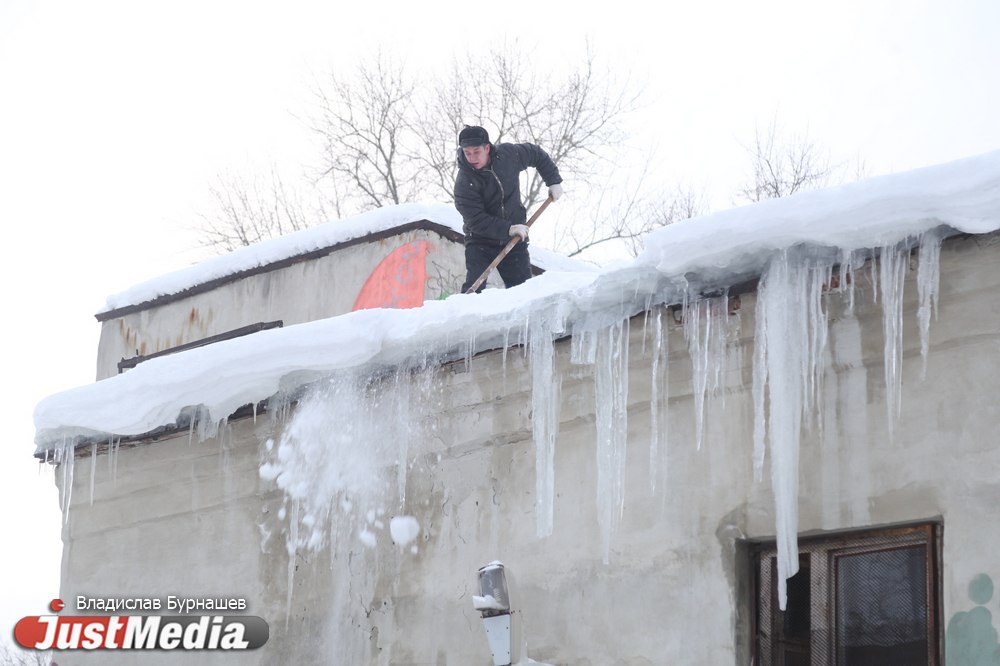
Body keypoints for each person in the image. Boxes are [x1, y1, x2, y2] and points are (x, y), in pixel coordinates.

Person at [453, 125, 563, 293]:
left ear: (487, 148)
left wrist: (553, 181)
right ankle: (464, 310)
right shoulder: (464, 183)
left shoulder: (508, 156)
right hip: (480, 241)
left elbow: (536, 154)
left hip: (515, 238)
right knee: (474, 289)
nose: (472, 158)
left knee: (522, 290)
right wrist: (508, 229)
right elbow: (476, 220)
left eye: (476, 152)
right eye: (467, 153)